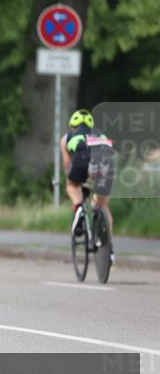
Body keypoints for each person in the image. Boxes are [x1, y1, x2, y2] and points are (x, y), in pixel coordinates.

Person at [61, 108, 115, 263]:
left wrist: (70, 178)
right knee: (103, 206)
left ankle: (78, 207)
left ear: (73, 125)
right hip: (105, 162)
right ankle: (109, 249)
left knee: (71, 185)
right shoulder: (101, 135)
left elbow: (67, 165)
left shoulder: (66, 138)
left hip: (82, 159)